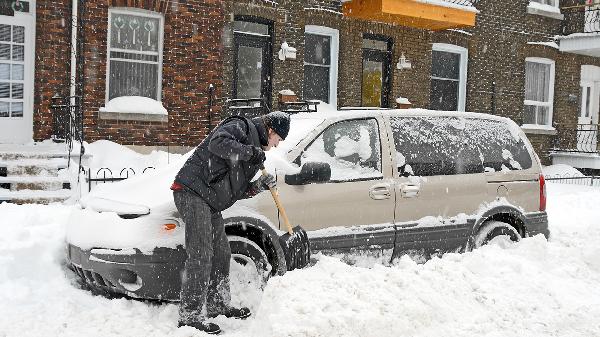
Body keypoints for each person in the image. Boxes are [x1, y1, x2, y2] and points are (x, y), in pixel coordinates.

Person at [170, 111, 290, 334]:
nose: (276, 146)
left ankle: (218, 304)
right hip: (192, 192)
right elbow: (218, 143)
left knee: (222, 254)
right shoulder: (242, 126)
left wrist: (258, 186)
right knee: (201, 254)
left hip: (209, 200)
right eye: (278, 140)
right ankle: (190, 316)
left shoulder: (253, 154)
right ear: (271, 130)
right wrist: (250, 152)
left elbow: (236, 190)